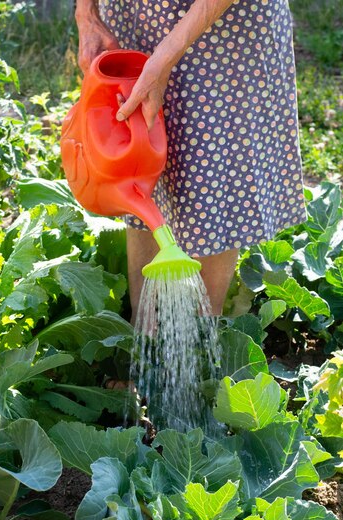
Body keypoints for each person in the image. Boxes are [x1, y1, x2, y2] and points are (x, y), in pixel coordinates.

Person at [75, 0, 306, 320]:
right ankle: (148, 340)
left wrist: (167, 54)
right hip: (133, 15)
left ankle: (198, 344)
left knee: (213, 171)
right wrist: (87, 15)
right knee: (135, 156)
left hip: (222, 30)